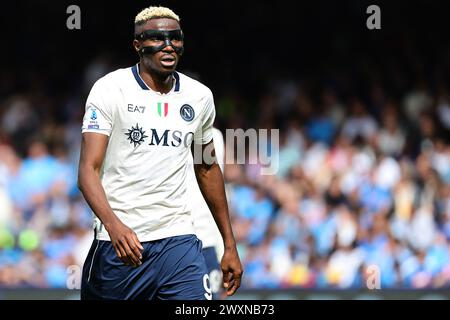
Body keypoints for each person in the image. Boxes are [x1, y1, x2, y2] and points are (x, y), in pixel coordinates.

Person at [77, 6, 242, 300]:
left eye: (175, 38)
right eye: (157, 38)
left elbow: (207, 167)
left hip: (178, 243)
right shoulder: (110, 90)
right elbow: (88, 171)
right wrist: (114, 226)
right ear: (137, 45)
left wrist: (229, 243)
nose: (168, 45)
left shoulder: (200, 97)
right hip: (122, 245)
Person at [188, 127, 226, 299]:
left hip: (205, 241)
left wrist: (222, 250)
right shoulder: (160, 127)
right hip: (171, 237)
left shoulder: (214, 137)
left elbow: (216, 196)